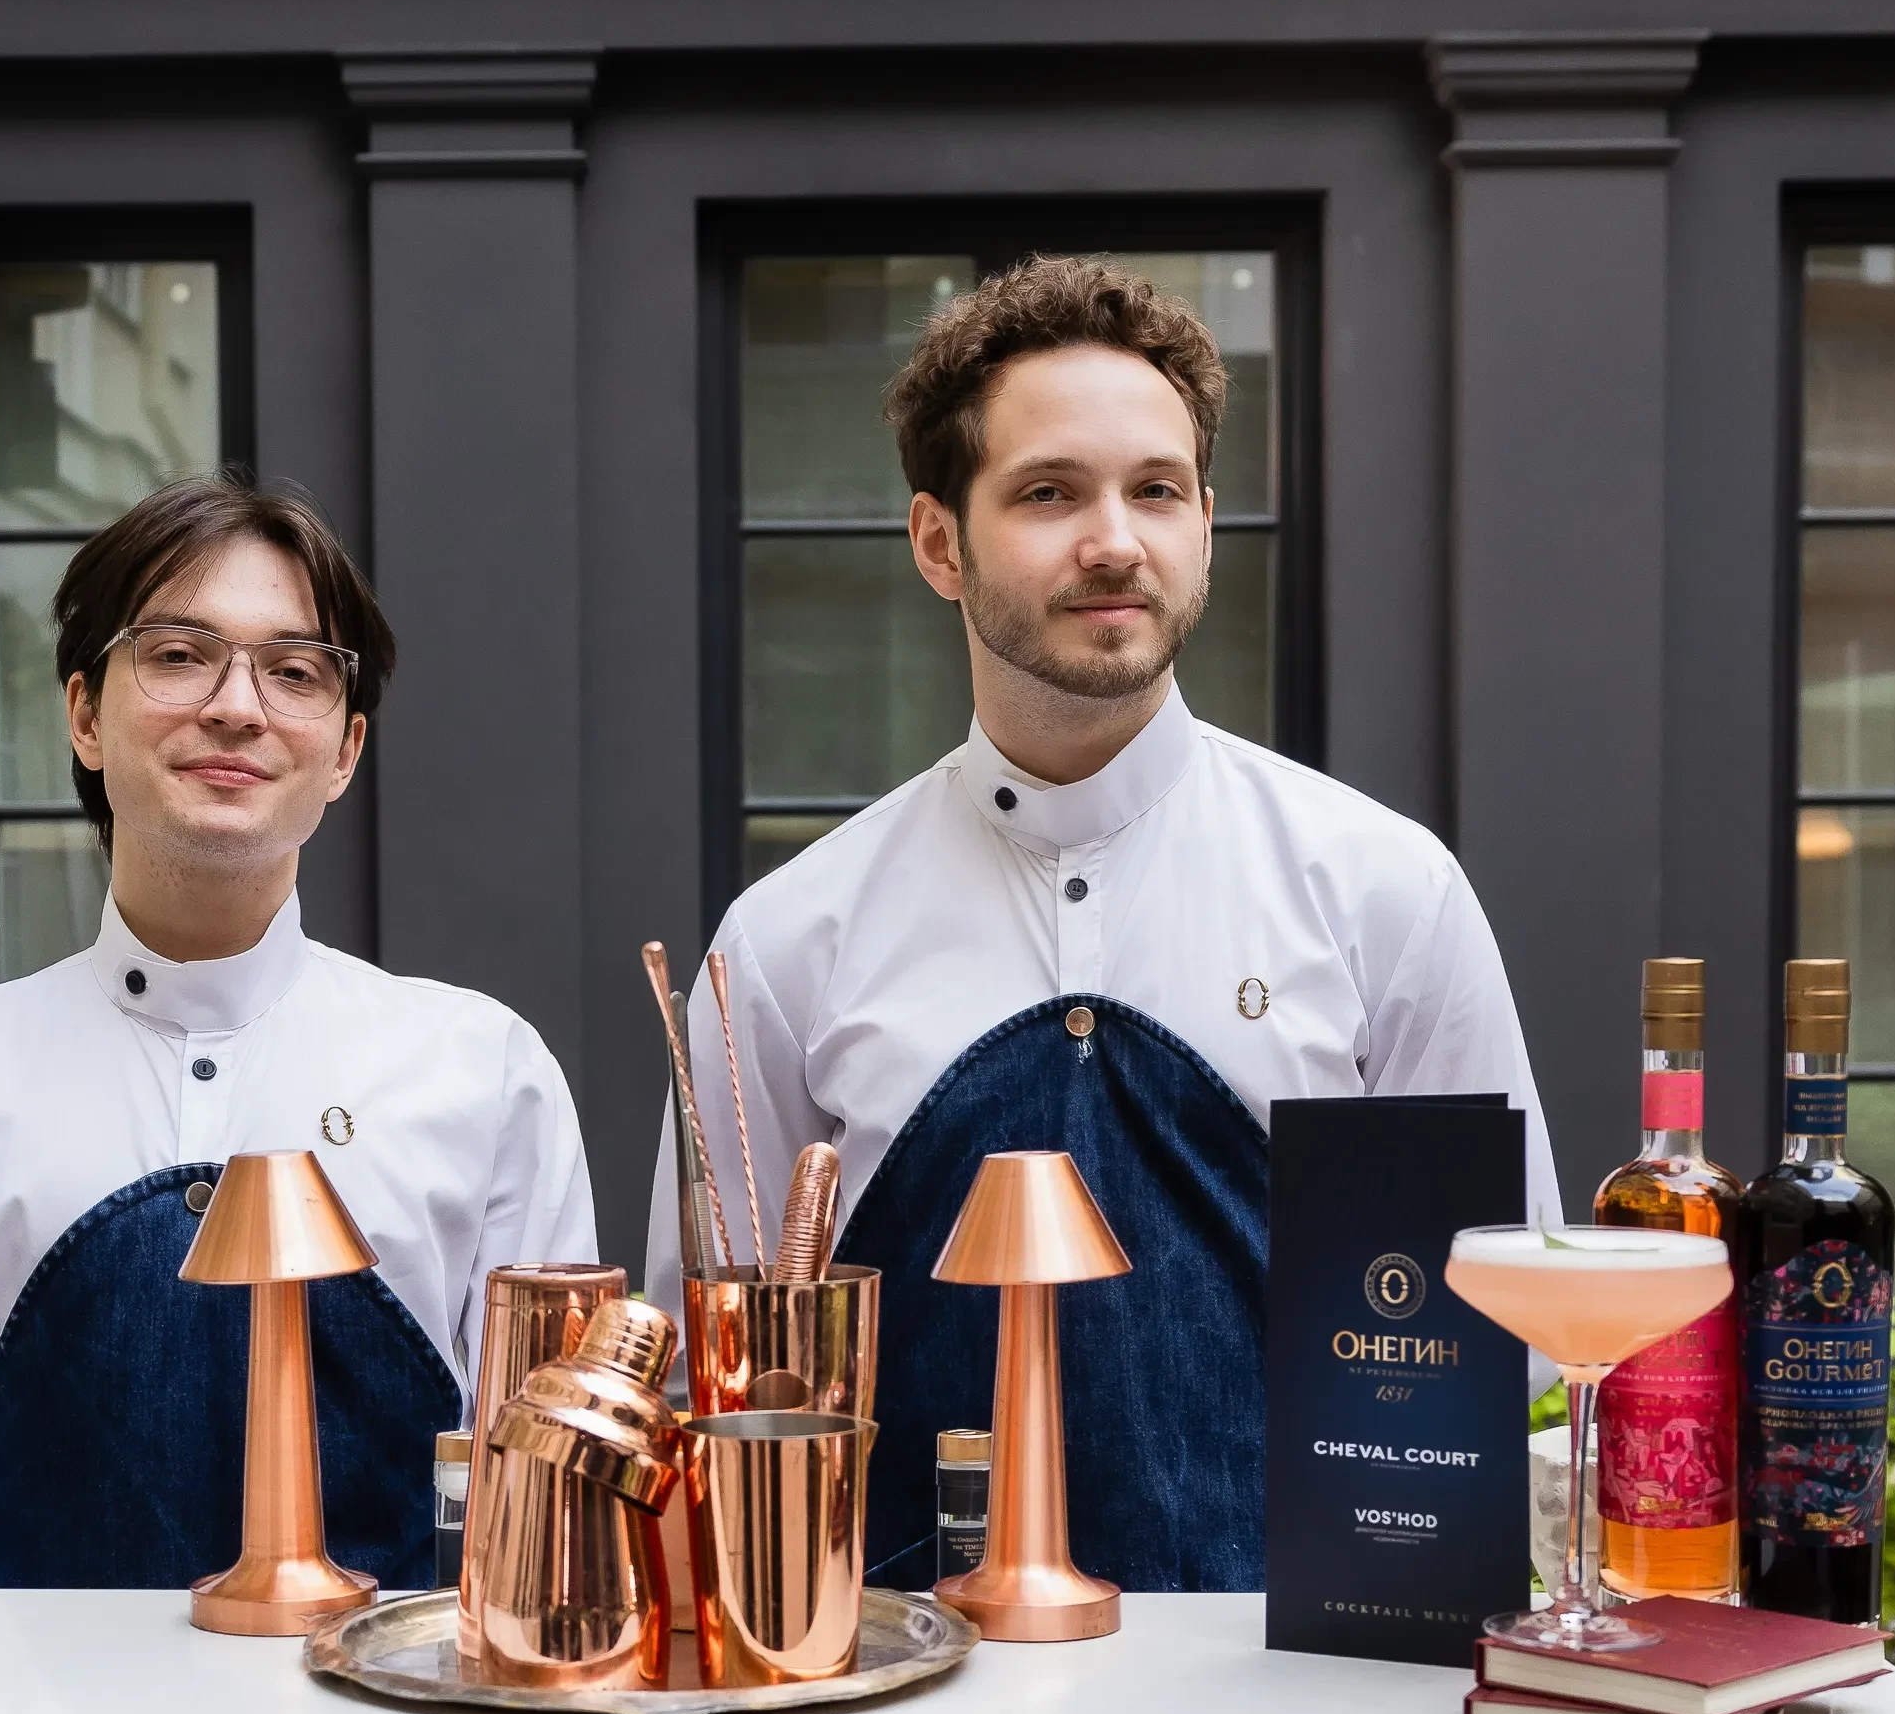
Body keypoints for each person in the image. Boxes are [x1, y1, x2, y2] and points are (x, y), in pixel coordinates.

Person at [648, 257, 1557, 1594]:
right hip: (902, 1682)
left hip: (1289, 1677)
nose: (1113, 541)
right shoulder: (787, 940)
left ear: (1205, 527)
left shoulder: (1380, 890)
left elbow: (1500, 1328)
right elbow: (712, 1370)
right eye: (1048, 492)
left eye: (1156, 490)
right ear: (937, 543)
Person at [0, 472, 596, 1588]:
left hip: (390, 1700)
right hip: (23, 1706)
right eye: (181, 655)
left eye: (294, 672)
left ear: (345, 751)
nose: (238, 706)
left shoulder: (483, 1072)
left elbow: (540, 1536)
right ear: (85, 715)